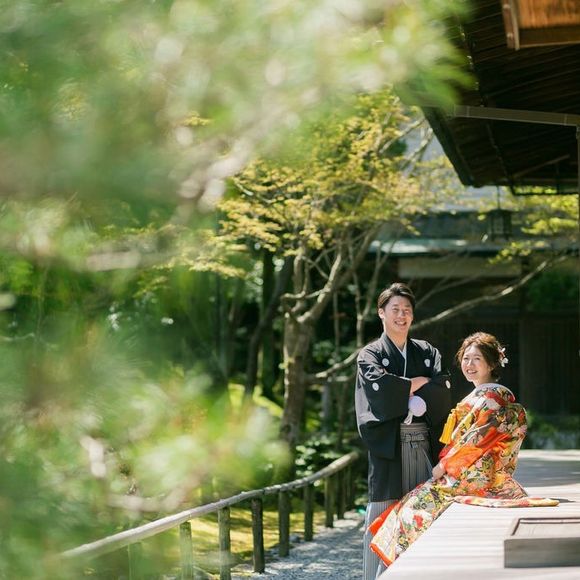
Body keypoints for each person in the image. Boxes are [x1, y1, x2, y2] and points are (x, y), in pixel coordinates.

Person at [369, 331, 558, 568]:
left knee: (414, 506)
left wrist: (444, 465)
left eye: (477, 359)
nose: (469, 364)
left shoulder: (491, 398)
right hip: (477, 471)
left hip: (475, 476)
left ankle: (407, 565)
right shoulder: (486, 395)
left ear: (492, 364)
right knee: (412, 502)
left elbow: (475, 442)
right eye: (466, 358)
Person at [355, 282, 452, 580]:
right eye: (395, 309)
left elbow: (442, 387)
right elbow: (380, 390)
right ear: (381, 313)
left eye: (407, 310)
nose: (401, 315)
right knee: (382, 514)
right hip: (390, 445)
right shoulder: (369, 354)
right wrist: (417, 384)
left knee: (426, 513)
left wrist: (409, 393)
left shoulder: (427, 351)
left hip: (424, 442)